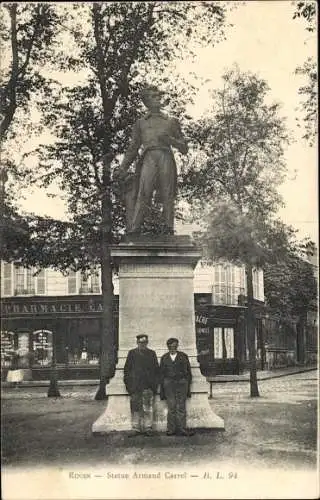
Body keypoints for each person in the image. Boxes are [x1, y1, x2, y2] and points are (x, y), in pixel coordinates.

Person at [118, 85, 188, 234]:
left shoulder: (171, 121)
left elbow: (184, 148)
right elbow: (133, 147)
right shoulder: (140, 123)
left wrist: (171, 141)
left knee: (167, 193)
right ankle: (134, 229)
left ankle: (168, 228)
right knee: (144, 192)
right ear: (146, 101)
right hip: (148, 157)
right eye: (153, 96)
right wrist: (122, 167)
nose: (158, 99)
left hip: (165, 156)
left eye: (158, 96)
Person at [123, 334, 160, 437]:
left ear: (147, 343)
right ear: (137, 343)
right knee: (135, 408)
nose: (142, 344)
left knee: (148, 408)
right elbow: (127, 370)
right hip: (135, 387)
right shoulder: (132, 353)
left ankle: (148, 427)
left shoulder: (152, 353)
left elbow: (156, 370)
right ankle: (135, 428)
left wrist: (154, 385)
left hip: (147, 386)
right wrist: (129, 386)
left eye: (144, 343)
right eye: (140, 342)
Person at [160, 337, 194, 436]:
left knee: (181, 406)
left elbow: (188, 372)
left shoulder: (183, 356)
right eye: (171, 347)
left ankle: (182, 429)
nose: (173, 348)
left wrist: (187, 384)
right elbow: (161, 374)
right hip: (169, 384)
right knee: (171, 406)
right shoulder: (164, 358)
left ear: (177, 346)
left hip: (181, 383)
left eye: (175, 346)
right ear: (168, 347)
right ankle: (171, 429)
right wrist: (163, 386)